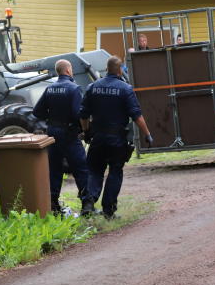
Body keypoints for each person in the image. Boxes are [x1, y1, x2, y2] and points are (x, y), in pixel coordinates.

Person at [80, 56, 154, 218]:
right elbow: (137, 116)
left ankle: (88, 203)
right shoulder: (125, 89)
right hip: (117, 140)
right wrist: (147, 134)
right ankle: (108, 211)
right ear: (120, 70)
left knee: (94, 170)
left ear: (107, 69)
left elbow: (83, 115)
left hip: (98, 138)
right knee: (115, 172)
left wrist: (86, 132)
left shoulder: (93, 87)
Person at [33, 59, 90, 214]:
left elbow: (37, 111)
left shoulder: (49, 88)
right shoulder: (74, 88)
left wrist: (50, 119)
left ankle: (52, 204)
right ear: (68, 70)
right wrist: (82, 128)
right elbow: (77, 113)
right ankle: (87, 205)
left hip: (52, 133)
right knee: (81, 168)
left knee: (54, 169)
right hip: (69, 134)